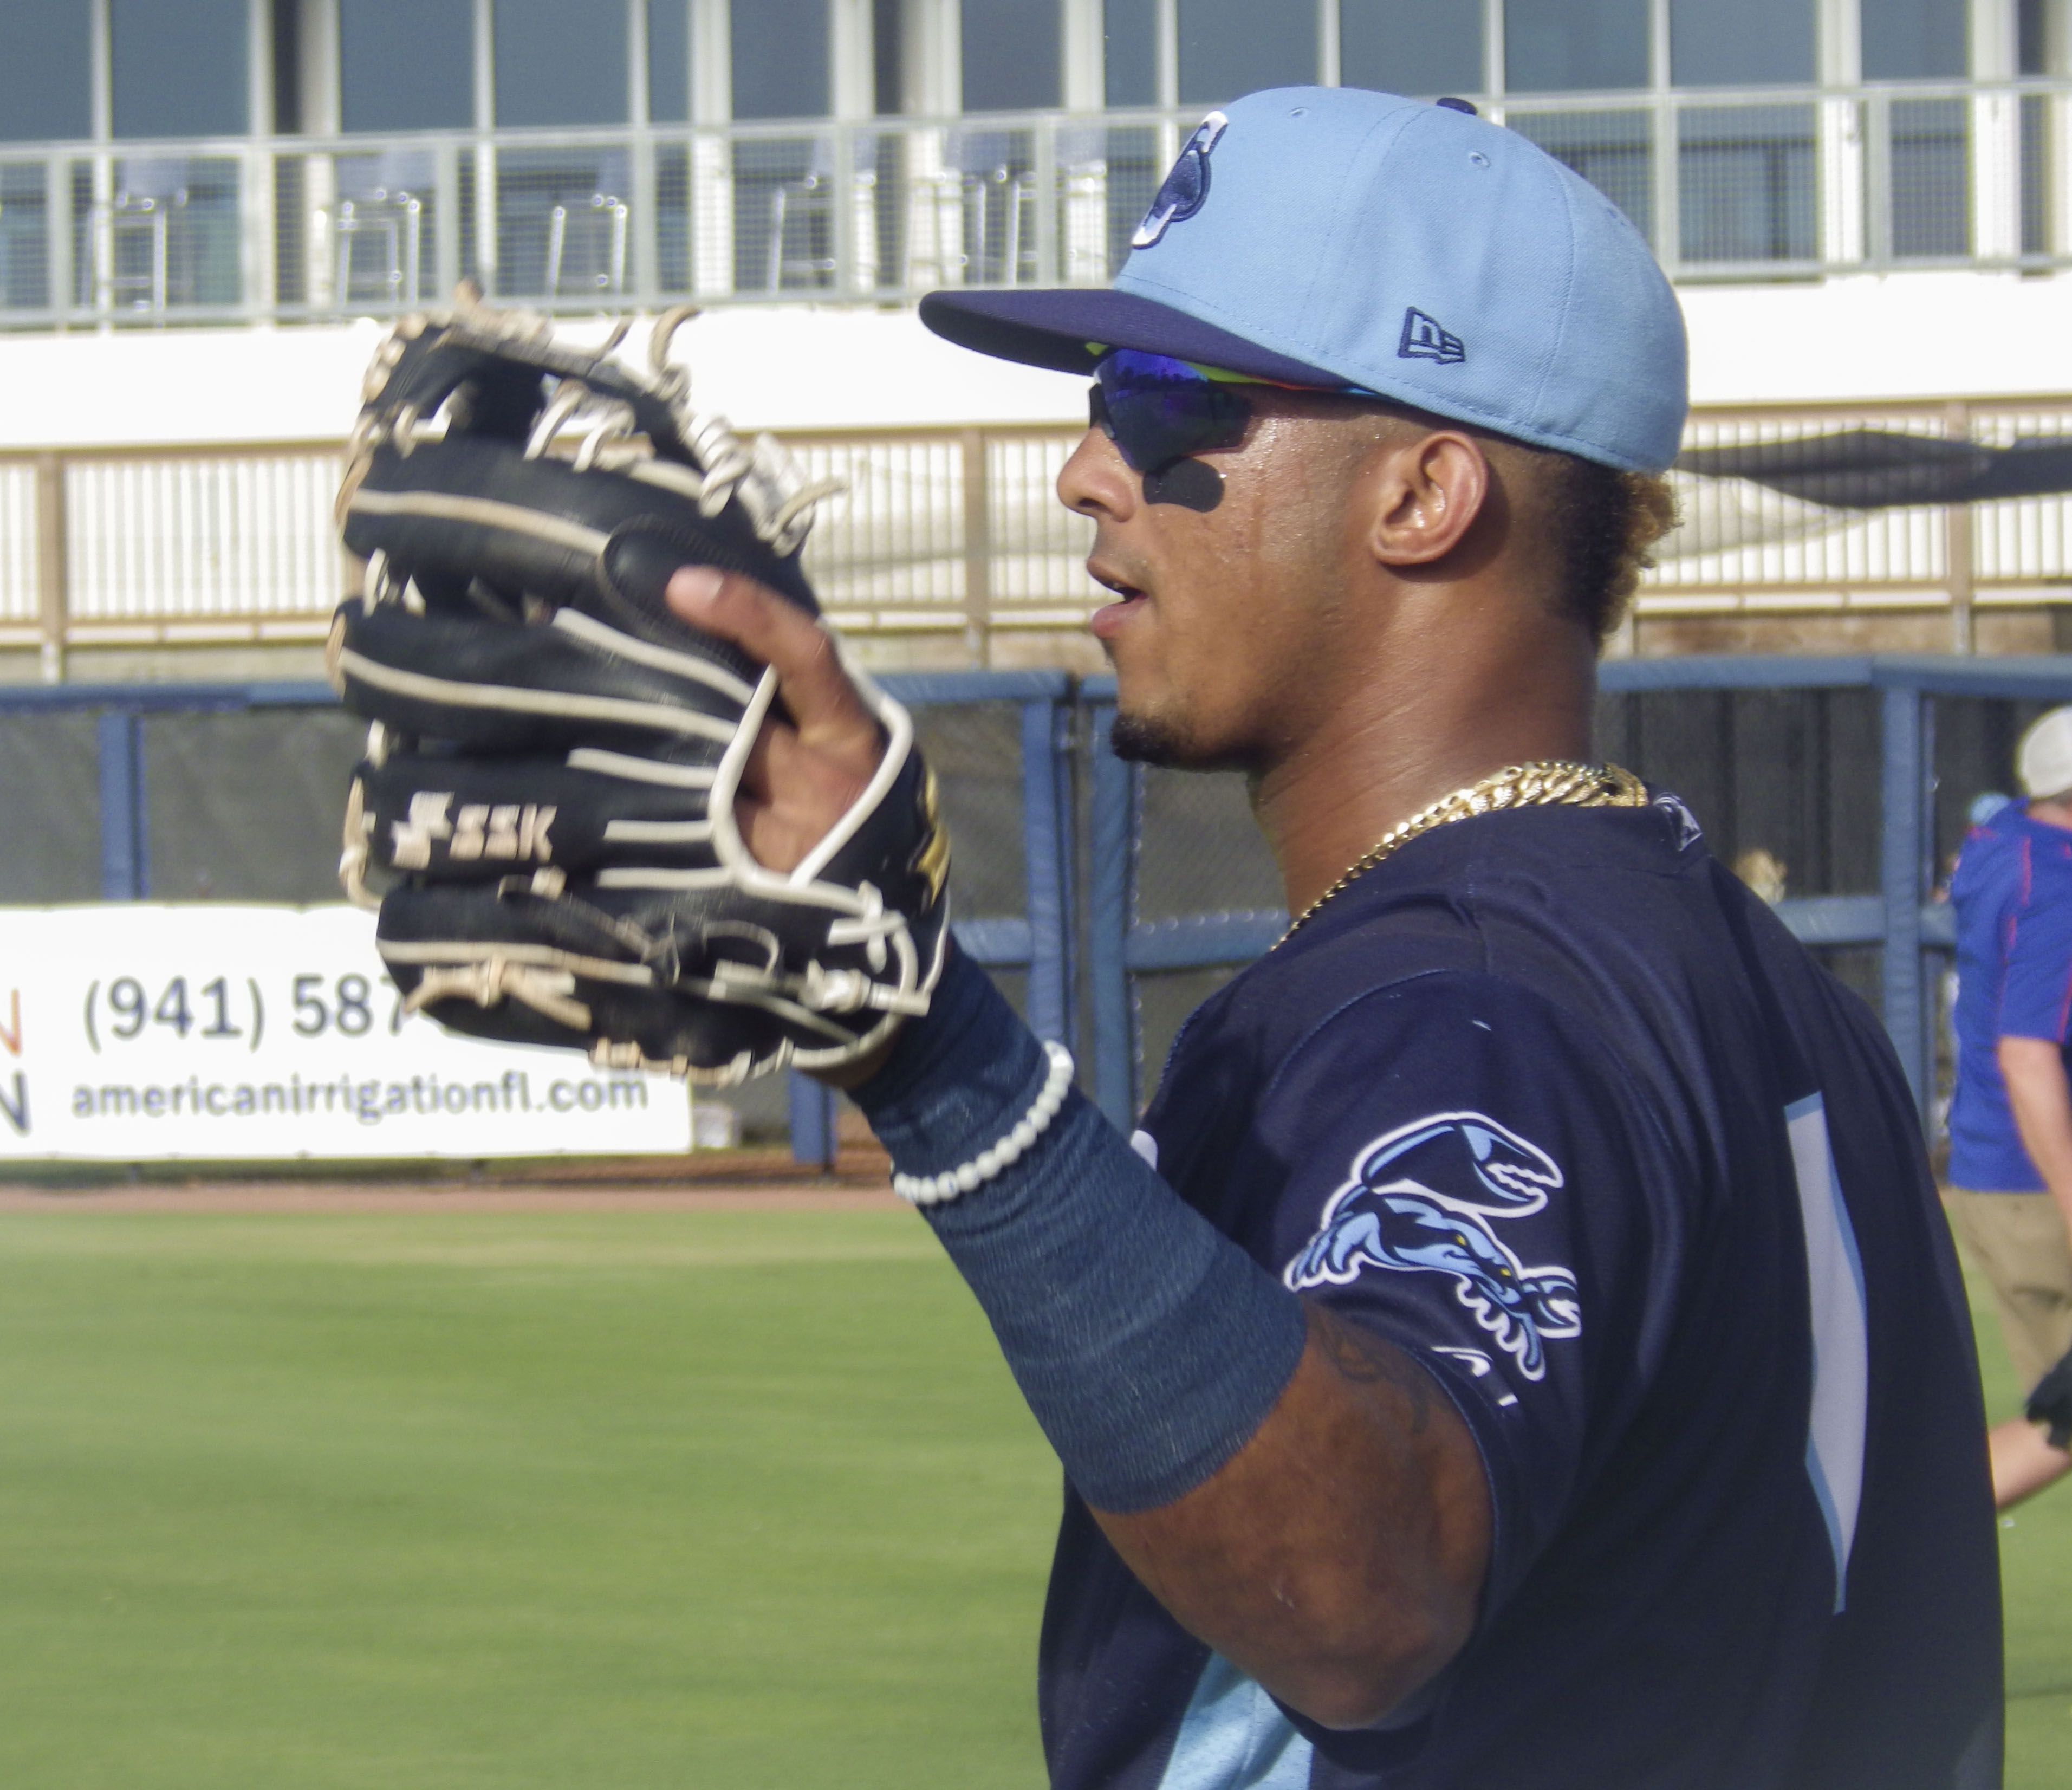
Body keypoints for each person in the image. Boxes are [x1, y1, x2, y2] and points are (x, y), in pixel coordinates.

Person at [665, 88, 2000, 1787]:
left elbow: (1368, 1587)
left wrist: (934, 1058)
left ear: (1426, 493)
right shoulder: (1760, 992)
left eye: (1168, 404)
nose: (1089, 471)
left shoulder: (1463, 996)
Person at [1948, 705, 2072, 1508]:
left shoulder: (2002, 843)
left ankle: (1877, 1555)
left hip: (1996, 1174)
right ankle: (1876, 1555)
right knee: (2058, 1423)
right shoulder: (2057, 886)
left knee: (2059, 1422)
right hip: (2038, 1189)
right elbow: (2027, 1058)